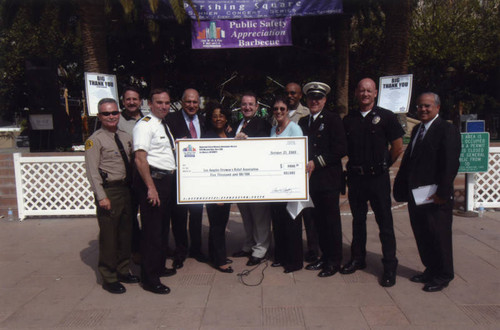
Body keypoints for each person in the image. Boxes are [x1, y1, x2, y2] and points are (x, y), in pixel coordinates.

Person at [393, 92, 461, 292]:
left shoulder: (446, 129)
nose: (423, 109)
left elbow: (450, 164)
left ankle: (443, 274)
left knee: (439, 236)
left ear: (437, 108)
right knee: (422, 235)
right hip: (417, 195)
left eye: (427, 106)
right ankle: (430, 269)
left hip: (436, 196)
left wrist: (443, 192)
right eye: (420, 106)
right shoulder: (417, 131)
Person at [341, 78, 404, 287]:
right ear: (356, 93)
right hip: (357, 178)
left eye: (369, 91)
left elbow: (397, 146)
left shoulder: (386, 117)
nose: (365, 94)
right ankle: (358, 259)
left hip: (378, 178)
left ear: (375, 93)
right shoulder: (349, 119)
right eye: (361, 90)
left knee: (385, 223)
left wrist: (385, 165)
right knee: (357, 222)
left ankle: (389, 266)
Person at [85, 98, 139, 294]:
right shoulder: (95, 139)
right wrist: (101, 197)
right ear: (99, 116)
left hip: (127, 190)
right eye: (106, 113)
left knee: (126, 233)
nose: (111, 117)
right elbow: (92, 172)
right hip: (110, 191)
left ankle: (123, 269)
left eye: (114, 113)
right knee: (109, 236)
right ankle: (109, 277)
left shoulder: (125, 136)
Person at [298, 82, 347, 277]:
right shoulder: (303, 122)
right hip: (311, 182)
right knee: (317, 222)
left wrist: (316, 162)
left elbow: (341, 148)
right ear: (307, 100)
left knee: (331, 223)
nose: (315, 101)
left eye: (318, 97)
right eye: (311, 98)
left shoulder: (333, 119)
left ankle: (334, 261)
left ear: (325, 100)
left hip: (328, 181)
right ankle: (323, 257)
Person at [133, 88, 177, 294]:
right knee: (151, 232)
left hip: (166, 182)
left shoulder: (163, 124)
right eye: (159, 102)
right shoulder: (145, 125)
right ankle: (150, 279)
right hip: (154, 182)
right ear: (149, 104)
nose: (164, 106)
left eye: (167, 102)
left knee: (161, 229)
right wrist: (151, 188)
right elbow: (140, 159)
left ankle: (158, 267)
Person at [166, 88, 207, 269]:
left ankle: (197, 249)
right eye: (188, 102)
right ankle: (180, 251)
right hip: (179, 178)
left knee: (197, 216)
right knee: (179, 217)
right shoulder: (170, 120)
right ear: (182, 102)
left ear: (199, 104)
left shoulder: (205, 120)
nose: (192, 105)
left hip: (198, 178)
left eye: (195, 102)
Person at [231, 91, 272, 266]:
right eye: (244, 104)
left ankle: (260, 249)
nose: (247, 107)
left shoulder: (263, 124)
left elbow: (265, 146)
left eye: (251, 104)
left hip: (256, 178)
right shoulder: (236, 124)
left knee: (259, 215)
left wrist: (248, 140)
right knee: (246, 214)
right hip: (240, 178)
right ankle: (248, 244)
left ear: (257, 107)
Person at [269, 95, 304, 273]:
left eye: (282, 109)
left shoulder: (294, 129)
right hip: (275, 184)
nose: (279, 112)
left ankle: (294, 261)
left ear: (287, 111)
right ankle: (280, 256)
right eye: (276, 109)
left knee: (292, 222)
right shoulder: (273, 130)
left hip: (290, 183)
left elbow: (299, 156)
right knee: (278, 222)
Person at [285, 82, 319, 262]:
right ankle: (291, 248)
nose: (290, 96)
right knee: (290, 214)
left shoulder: (306, 114)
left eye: (293, 93)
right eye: (287, 93)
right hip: (285, 172)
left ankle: (313, 249)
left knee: (308, 214)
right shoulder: (279, 112)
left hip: (305, 171)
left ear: (300, 96)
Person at [202, 101, 234, 273]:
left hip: (228, 187)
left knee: (221, 223)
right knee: (217, 224)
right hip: (215, 188)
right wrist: (216, 193)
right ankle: (220, 260)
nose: (218, 119)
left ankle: (215, 255)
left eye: (221, 115)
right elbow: (208, 169)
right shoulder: (207, 137)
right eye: (214, 116)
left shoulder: (229, 135)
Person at [117, 85, 144, 264]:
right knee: (131, 216)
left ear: (141, 101)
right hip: (128, 176)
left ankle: (151, 246)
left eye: (135, 99)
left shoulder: (148, 119)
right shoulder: (115, 120)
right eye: (128, 99)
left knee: (151, 215)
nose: (132, 102)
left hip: (147, 175)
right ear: (123, 101)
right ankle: (135, 249)